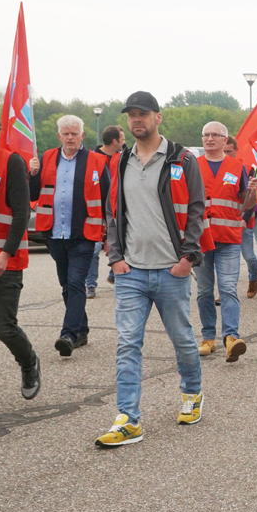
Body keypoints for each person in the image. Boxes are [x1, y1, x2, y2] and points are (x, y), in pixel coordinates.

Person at [96, 91, 206, 447]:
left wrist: (187, 258)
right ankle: (128, 418)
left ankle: (192, 392)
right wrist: (116, 257)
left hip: (170, 270)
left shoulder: (182, 159)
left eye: (143, 114)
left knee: (183, 341)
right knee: (128, 343)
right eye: (131, 115)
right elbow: (112, 212)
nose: (136, 120)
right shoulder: (118, 161)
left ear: (158, 117)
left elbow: (196, 211)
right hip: (131, 272)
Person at [29, 115, 110, 357]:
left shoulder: (96, 161)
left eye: (74, 133)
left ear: (82, 136)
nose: (70, 137)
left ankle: (69, 334)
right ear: (59, 136)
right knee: (66, 284)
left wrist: (108, 233)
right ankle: (82, 329)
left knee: (76, 283)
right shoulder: (47, 158)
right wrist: (32, 174)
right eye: (66, 133)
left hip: (84, 234)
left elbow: (107, 197)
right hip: (54, 232)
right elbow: (33, 193)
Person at [193, 122, 248, 363]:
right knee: (204, 291)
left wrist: (255, 192)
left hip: (229, 240)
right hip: (201, 240)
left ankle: (231, 338)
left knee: (227, 288)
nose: (210, 138)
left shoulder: (238, 167)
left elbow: (248, 203)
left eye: (215, 135)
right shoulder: (192, 166)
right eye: (206, 134)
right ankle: (208, 338)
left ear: (225, 141)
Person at [0, 120, 40, 400]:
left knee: (3, 326)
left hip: (4, 260)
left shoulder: (10, 162)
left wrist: (5, 252)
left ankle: (29, 363)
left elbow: (22, 212)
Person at [86, 125, 125, 298]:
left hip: (117, 212)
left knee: (120, 246)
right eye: (123, 140)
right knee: (94, 250)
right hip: (96, 214)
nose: (124, 144)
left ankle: (115, 275)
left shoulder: (123, 158)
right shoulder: (91, 158)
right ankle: (90, 285)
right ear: (115, 141)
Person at [223, 137, 257, 298]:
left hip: (244, 221)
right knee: (226, 261)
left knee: (249, 256)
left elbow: (250, 200)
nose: (226, 155)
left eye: (229, 151)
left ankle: (253, 278)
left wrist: (244, 219)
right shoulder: (218, 169)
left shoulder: (245, 169)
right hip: (224, 223)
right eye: (223, 151)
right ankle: (226, 290)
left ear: (236, 151)